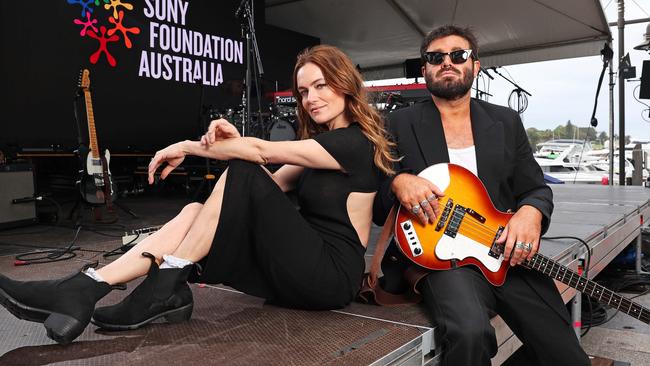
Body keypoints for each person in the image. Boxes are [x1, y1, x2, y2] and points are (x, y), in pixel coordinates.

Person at [0, 44, 396, 345]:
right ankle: (86, 288)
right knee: (195, 208)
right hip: (298, 267)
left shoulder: (354, 144)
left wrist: (188, 146)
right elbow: (259, 192)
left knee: (241, 170)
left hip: (329, 277)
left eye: (322, 86)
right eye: (304, 90)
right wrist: (239, 143)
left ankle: (160, 288)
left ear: (346, 86)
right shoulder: (320, 147)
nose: (311, 99)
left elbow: (257, 158)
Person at [372, 25, 590, 365]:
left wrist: (530, 213)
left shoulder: (505, 121)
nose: (447, 62)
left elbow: (534, 187)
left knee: (566, 354)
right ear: (424, 68)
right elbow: (375, 195)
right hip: (445, 262)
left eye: (458, 55)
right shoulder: (397, 123)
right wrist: (398, 183)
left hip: (505, 254)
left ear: (475, 66)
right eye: (435, 57)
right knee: (469, 335)